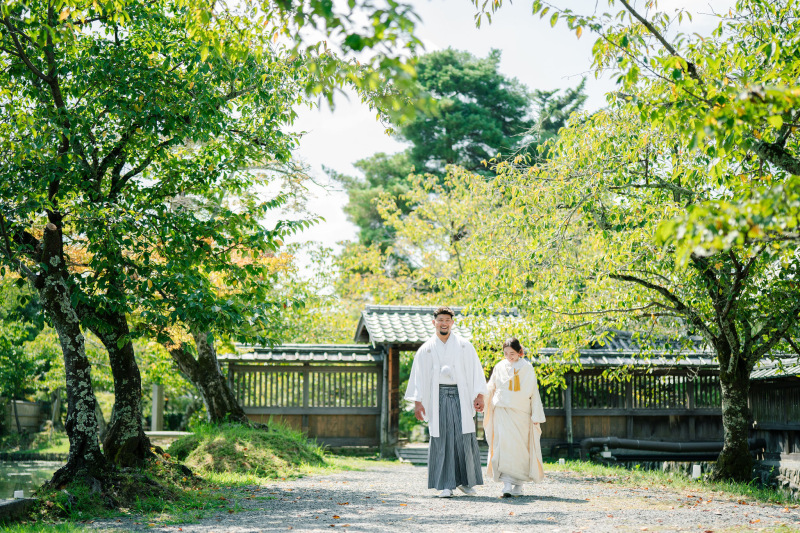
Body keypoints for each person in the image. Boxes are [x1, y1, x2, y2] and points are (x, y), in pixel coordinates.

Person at [404, 306, 488, 498]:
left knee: (463, 437)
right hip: (437, 397)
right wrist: (418, 403)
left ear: (452, 322)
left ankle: (465, 482)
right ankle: (445, 484)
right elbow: (418, 377)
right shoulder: (425, 349)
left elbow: (476, 371)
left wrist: (479, 396)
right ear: (434, 322)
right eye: (440, 320)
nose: (444, 323)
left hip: (461, 395)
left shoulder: (465, 345)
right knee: (442, 438)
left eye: (447, 320)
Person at [483, 337, 546, 497]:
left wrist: (536, 414)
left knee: (520, 448)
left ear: (520, 352)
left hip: (521, 413)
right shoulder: (499, 366)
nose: (509, 356)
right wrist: (482, 397)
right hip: (503, 411)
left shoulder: (527, 368)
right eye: (506, 353)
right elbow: (491, 386)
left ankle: (518, 484)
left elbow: (533, 392)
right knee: (503, 445)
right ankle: (507, 483)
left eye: (512, 353)